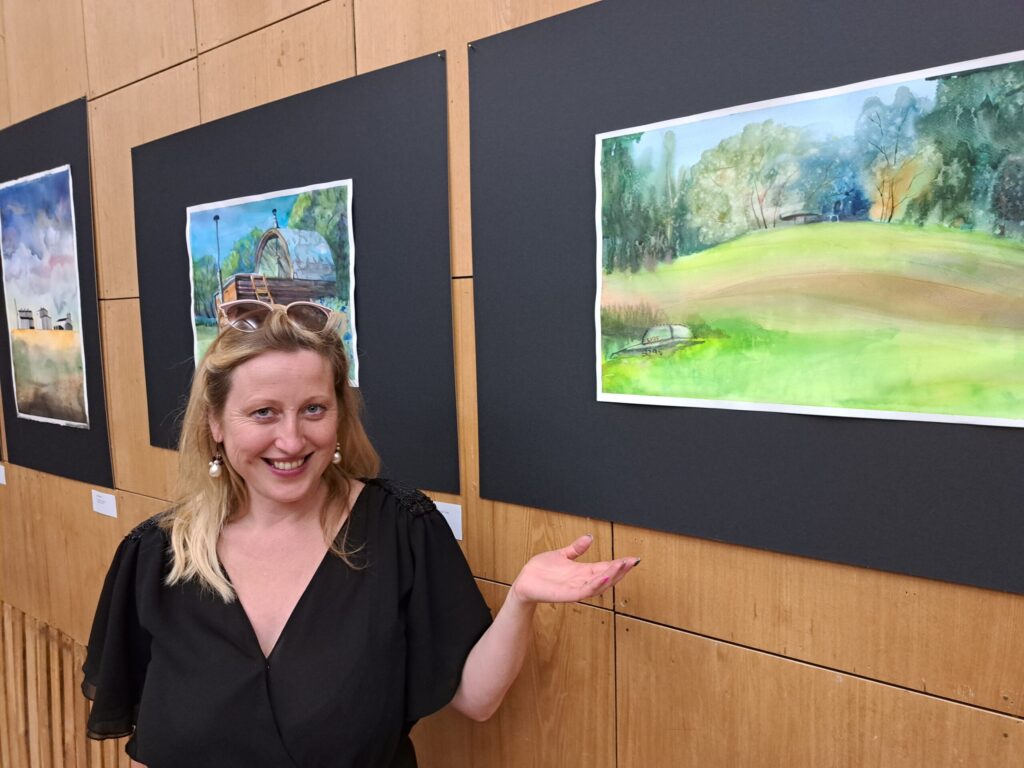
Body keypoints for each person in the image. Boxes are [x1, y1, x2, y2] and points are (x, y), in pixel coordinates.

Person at [82, 300, 638, 768]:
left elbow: (475, 698)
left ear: (340, 415)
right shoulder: (155, 557)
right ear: (215, 425)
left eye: (314, 409)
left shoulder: (400, 529)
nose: (292, 439)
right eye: (263, 413)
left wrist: (521, 600)